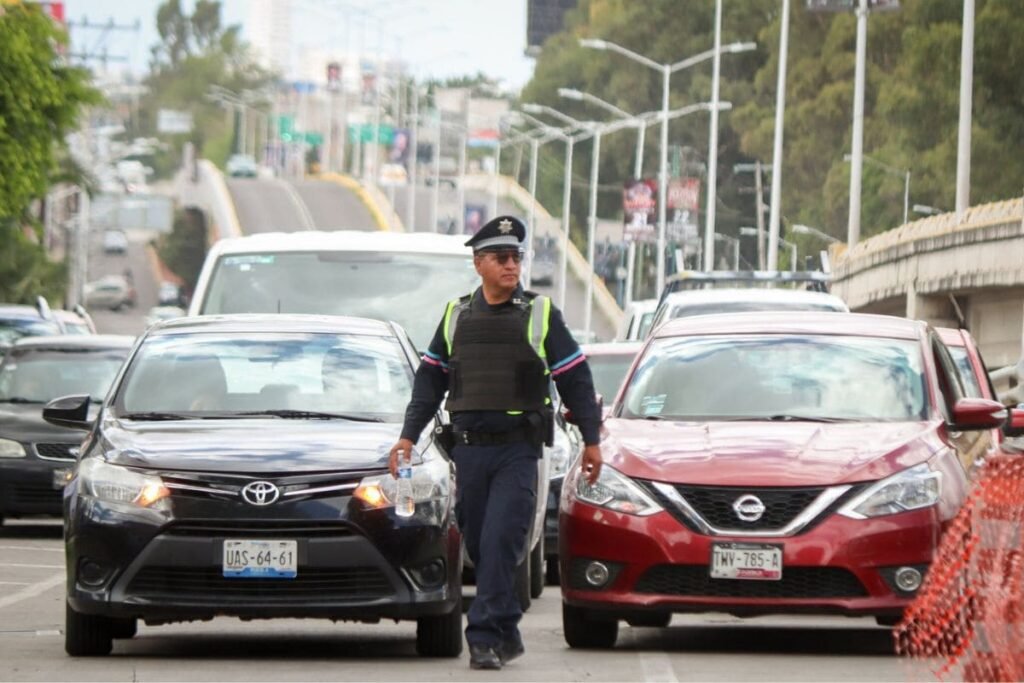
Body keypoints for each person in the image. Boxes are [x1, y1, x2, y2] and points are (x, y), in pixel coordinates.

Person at [388, 215, 603, 671]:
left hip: (517, 451)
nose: (512, 265)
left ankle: (483, 638)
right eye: (501, 258)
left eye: (516, 257)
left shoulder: (541, 314)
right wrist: (408, 435)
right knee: (482, 546)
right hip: (468, 452)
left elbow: (575, 378)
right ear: (478, 263)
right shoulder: (456, 315)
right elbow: (430, 381)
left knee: (504, 538)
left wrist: (591, 439)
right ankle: (505, 628)